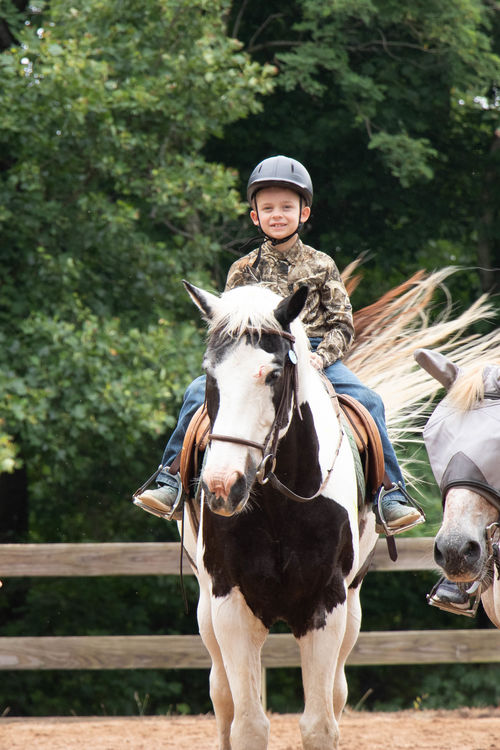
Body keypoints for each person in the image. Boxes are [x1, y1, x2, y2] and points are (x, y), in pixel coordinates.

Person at [134, 155, 425, 535]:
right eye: (267, 208)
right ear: (254, 215)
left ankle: (390, 493)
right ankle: (170, 479)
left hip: (317, 354)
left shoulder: (322, 265)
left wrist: (320, 358)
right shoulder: (241, 269)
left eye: (286, 207)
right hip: (256, 357)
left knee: (370, 401)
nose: (277, 215)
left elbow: (342, 324)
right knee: (194, 395)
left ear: (304, 212)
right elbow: (229, 327)